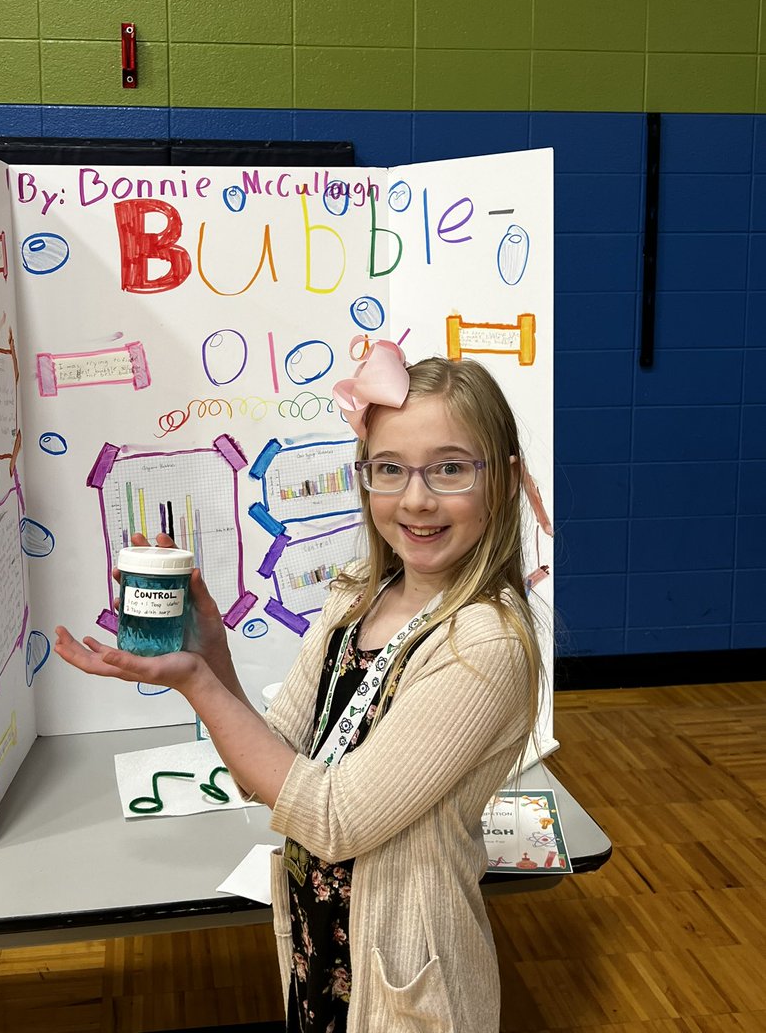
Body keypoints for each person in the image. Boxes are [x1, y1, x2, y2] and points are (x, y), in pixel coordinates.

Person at [55, 348, 544, 1033]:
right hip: (324, 950)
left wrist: (199, 686)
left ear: (505, 480)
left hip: (408, 983)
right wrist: (214, 657)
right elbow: (275, 768)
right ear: (364, 477)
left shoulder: (483, 645)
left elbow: (333, 818)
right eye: (390, 469)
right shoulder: (357, 596)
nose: (416, 498)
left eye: (451, 468)